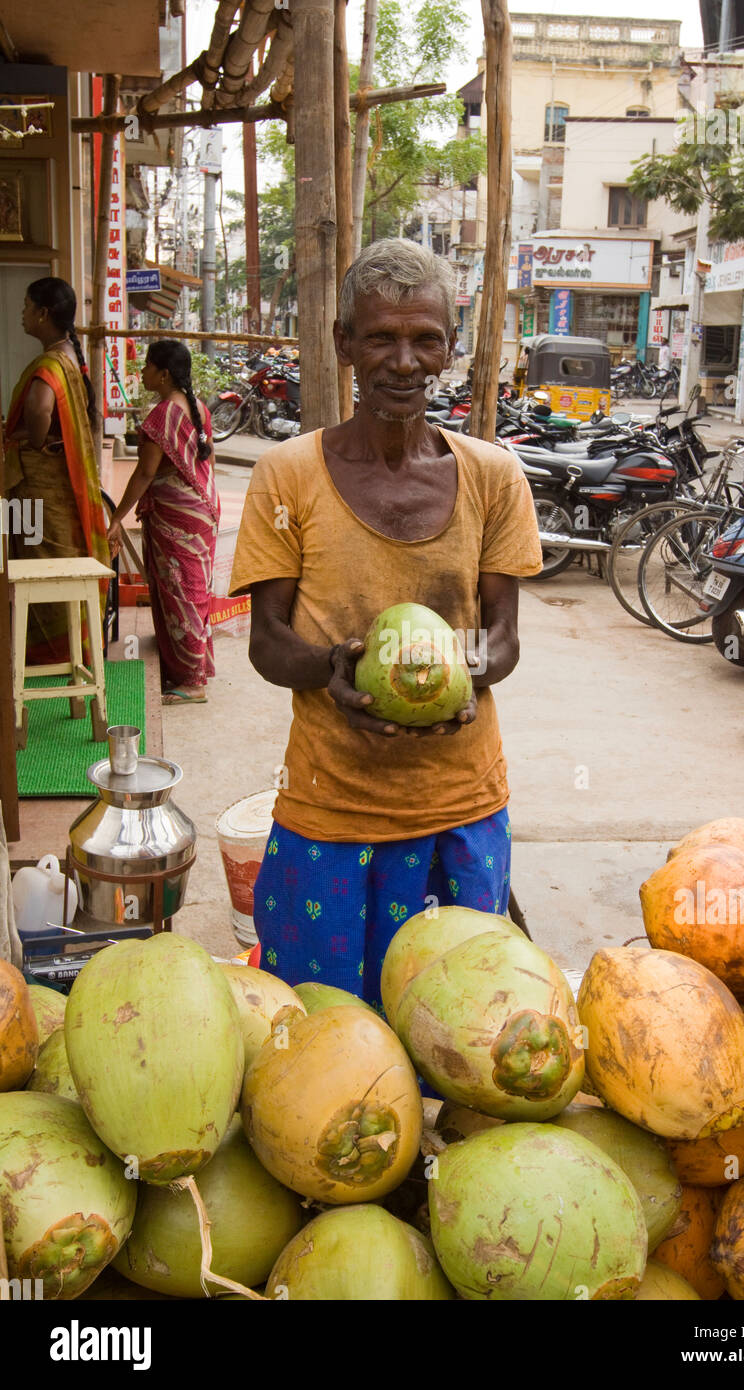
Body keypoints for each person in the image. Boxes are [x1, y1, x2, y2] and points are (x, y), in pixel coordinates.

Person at [229, 239, 543, 1008]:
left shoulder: (494, 477)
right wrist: (332, 673)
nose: (404, 361)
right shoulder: (288, 475)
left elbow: (502, 637)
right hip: (329, 807)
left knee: (461, 1035)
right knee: (325, 1039)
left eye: (424, 338)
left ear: (449, 347)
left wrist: (464, 674)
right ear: (344, 344)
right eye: (381, 337)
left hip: (460, 807)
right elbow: (268, 642)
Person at [106, 340, 219, 705]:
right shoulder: (198, 407)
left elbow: (143, 474)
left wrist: (115, 516)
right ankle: (193, 665)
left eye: (148, 366)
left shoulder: (161, 417)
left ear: (164, 373)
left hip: (178, 516)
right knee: (194, 590)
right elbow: (208, 463)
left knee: (181, 592)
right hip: (203, 509)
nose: (142, 372)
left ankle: (190, 681)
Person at [4, 277, 110, 664]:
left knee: (31, 565)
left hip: (35, 489)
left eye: (27, 306)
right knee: (47, 566)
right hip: (55, 490)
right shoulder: (68, 356)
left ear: (43, 313)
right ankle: (65, 653)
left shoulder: (51, 362)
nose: (23, 314)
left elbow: (39, 410)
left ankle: (41, 654)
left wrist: (29, 439)